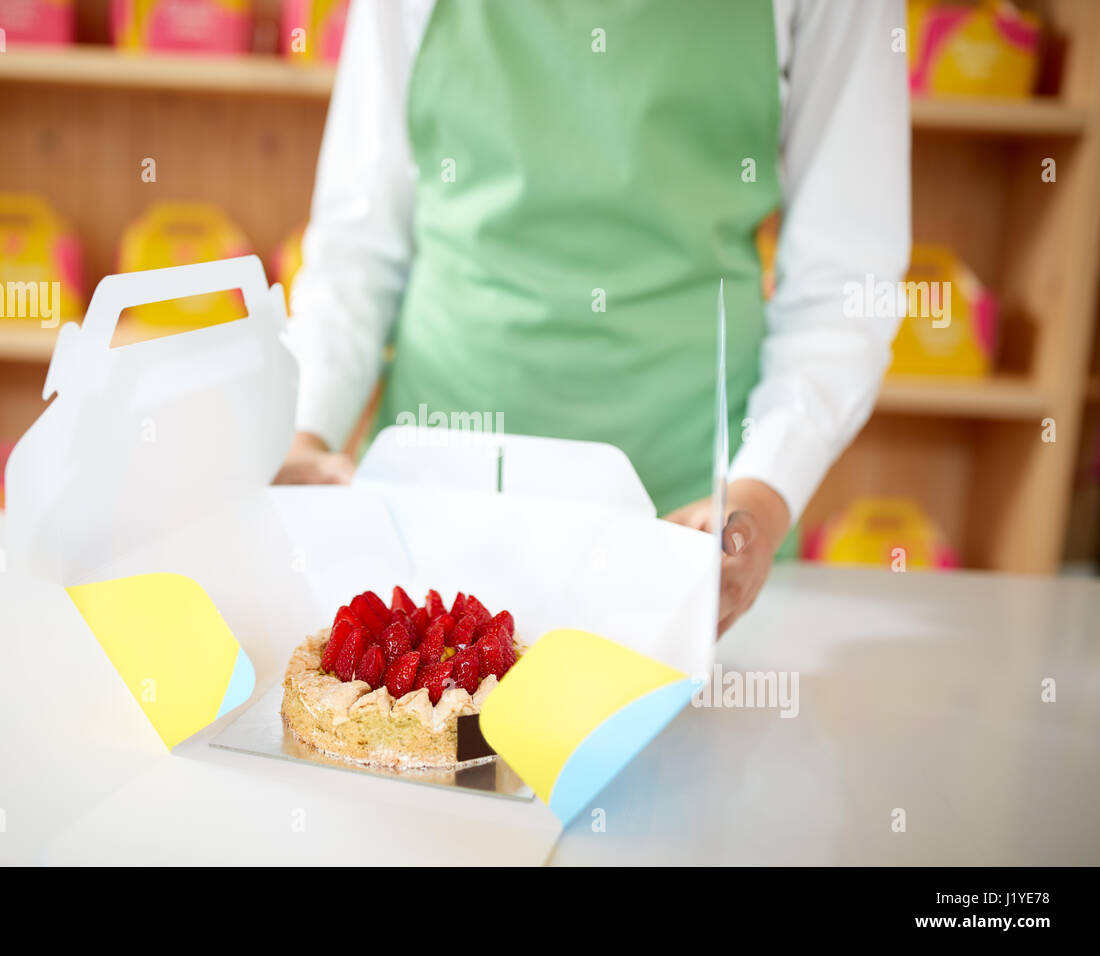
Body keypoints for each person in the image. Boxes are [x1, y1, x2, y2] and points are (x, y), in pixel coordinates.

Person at [276, 0, 910, 634]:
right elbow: (358, 242)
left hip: (691, 517)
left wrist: (764, 489)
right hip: (432, 499)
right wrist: (307, 430)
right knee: (438, 730)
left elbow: (845, 275)